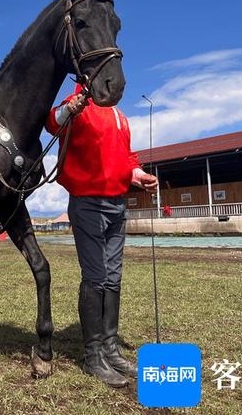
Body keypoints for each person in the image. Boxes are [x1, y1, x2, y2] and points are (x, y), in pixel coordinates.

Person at [45, 85, 158, 388]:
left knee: (114, 277)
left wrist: (138, 175)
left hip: (117, 203)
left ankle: (110, 348)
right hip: (87, 202)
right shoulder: (78, 102)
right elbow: (53, 121)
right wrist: (71, 108)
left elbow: (127, 158)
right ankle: (93, 355)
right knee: (96, 277)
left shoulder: (120, 116)